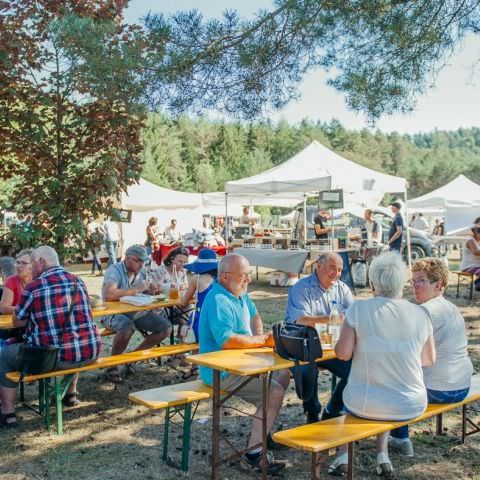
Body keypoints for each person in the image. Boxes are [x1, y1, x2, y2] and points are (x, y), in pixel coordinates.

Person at [331, 251, 435, 477]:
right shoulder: (421, 313)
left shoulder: (358, 309)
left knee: (358, 395)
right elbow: (428, 360)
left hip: (367, 403)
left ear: (372, 282)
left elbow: (343, 354)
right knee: (383, 388)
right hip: (411, 403)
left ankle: (342, 456)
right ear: (402, 282)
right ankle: (382, 454)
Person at [199, 253, 290, 474]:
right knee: (274, 392)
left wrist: (259, 336)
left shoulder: (237, 293)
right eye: (244, 276)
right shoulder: (218, 299)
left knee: (284, 373)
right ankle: (252, 456)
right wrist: (262, 341)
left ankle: (262, 432)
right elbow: (228, 340)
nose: (248, 280)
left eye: (249, 275)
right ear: (225, 276)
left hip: (242, 364)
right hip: (221, 372)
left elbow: (255, 316)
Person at [0, 246, 101, 427]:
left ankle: (8, 413)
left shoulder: (35, 287)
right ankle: (70, 393)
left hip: (54, 358)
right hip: (90, 353)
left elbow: (17, 322)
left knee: (5, 355)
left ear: (41, 262)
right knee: (71, 340)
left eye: (32, 262)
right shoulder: (78, 281)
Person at [390, 257, 473, 456]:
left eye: (421, 281)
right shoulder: (450, 307)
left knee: (392, 384)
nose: (415, 286)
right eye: (413, 280)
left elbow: (406, 354)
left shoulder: (424, 311)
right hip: (462, 385)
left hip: (440, 389)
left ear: (438, 285)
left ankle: (399, 439)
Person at [285, 252, 354, 424]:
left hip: (331, 347)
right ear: (319, 266)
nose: (336, 274)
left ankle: (332, 410)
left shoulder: (342, 288)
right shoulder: (301, 287)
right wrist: (333, 319)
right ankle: (312, 413)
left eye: (339, 270)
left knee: (356, 370)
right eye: (332, 268)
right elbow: (301, 320)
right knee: (308, 371)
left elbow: (353, 317)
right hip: (304, 346)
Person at [101, 245, 172, 383]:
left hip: (135, 310)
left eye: (143, 261)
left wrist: (152, 290)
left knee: (165, 328)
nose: (141, 264)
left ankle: (132, 359)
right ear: (127, 259)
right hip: (111, 313)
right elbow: (109, 294)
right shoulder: (114, 270)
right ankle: (112, 366)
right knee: (127, 327)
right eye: (138, 261)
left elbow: (145, 291)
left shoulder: (142, 271)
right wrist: (137, 289)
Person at [179, 248, 218, 379]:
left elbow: (183, 302)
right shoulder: (222, 279)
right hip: (216, 320)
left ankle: (193, 366)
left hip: (201, 321)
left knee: (187, 327)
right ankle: (196, 368)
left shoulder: (197, 278)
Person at [0, 249, 33, 346]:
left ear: (32, 266)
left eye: (24, 263)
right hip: (15, 326)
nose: (19, 266)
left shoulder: (38, 281)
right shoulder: (11, 281)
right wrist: (27, 309)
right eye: (17, 263)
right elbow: (4, 308)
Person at [459, 223, 480, 292]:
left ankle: (478, 283)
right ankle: (478, 283)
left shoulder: (477, 241)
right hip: (469, 266)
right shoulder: (470, 240)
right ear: (476, 233)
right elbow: (476, 252)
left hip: (476, 266)